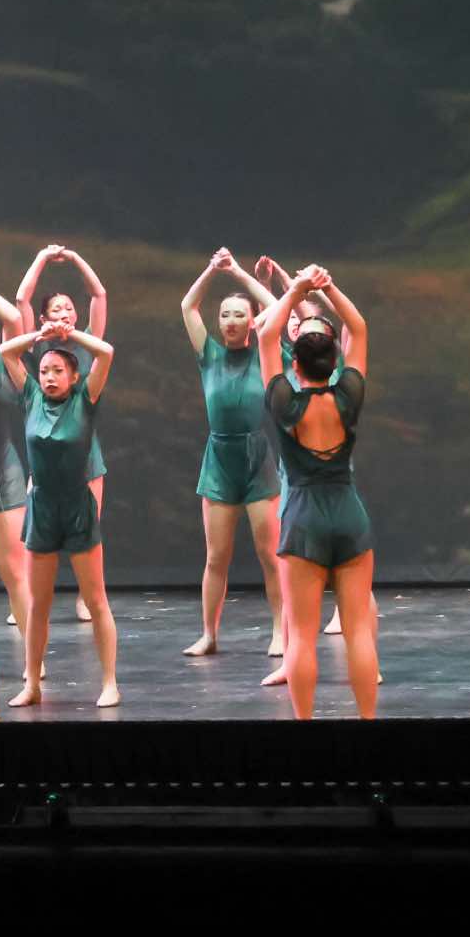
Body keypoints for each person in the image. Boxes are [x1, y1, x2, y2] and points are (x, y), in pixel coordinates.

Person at [256, 266, 378, 719]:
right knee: (358, 632)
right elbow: (358, 327)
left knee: (302, 637)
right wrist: (328, 287)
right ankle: (368, 721)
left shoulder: (284, 402)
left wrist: (295, 289)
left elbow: (267, 335)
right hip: (348, 514)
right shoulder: (349, 395)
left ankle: (305, 725)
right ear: (334, 360)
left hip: (303, 519)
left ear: (295, 365)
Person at [0, 316, 119, 707]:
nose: (49, 377)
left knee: (96, 599)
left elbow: (106, 352)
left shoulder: (85, 399)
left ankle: (109, 682)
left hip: (77, 507)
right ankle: (32, 683)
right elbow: (6, 352)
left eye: (58, 371)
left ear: (74, 376)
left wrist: (69, 334)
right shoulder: (31, 396)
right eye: (45, 370)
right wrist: (40, 335)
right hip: (43, 508)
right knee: (38, 605)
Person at [180, 248, 284, 659]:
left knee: (270, 556)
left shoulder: (265, 353)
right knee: (216, 557)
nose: (231, 321)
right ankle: (209, 634)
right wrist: (212, 269)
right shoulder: (209, 355)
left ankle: (280, 631)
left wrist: (238, 272)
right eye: (225, 314)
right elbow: (188, 306)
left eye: (240, 314)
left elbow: (277, 308)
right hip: (220, 460)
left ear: (252, 321)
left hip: (257, 459)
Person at [16, 243, 107, 621]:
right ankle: (32, 597)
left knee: (88, 524)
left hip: (82, 444)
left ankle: (87, 597)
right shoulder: (36, 349)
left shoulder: (86, 342)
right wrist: (40, 258)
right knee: (38, 525)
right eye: (56, 309)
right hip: (46, 444)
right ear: (43, 318)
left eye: (69, 308)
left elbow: (99, 295)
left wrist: (74, 258)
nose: (65, 314)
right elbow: (21, 300)